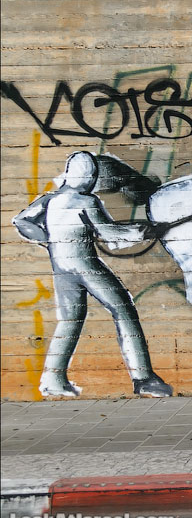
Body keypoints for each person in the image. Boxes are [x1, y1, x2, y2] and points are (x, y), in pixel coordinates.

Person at [12, 152, 172, 398]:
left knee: (69, 321)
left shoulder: (50, 200)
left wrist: (48, 239)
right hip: (86, 266)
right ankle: (143, 378)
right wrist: (142, 231)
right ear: (90, 177)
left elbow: (21, 221)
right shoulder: (87, 201)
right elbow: (109, 233)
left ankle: (53, 379)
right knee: (123, 309)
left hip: (61, 269)